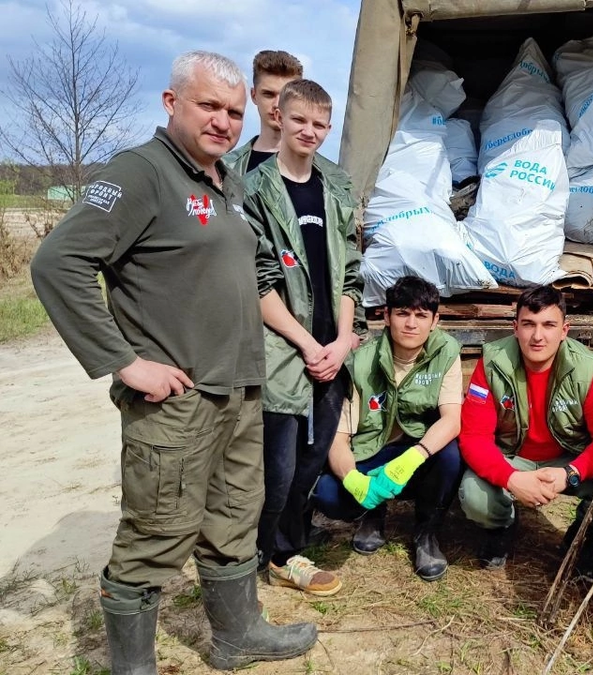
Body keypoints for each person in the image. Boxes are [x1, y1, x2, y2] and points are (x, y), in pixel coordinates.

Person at [30, 50, 316, 673]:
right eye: (209, 106)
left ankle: (237, 637)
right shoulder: (142, 173)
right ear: (172, 103)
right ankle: (132, 665)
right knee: (157, 532)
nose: (224, 121)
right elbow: (59, 264)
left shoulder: (227, 182)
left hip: (239, 392)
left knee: (233, 521)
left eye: (235, 112)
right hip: (177, 402)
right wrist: (125, 362)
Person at [243, 79, 361, 596]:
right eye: (299, 121)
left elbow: (350, 274)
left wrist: (341, 341)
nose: (308, 131)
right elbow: (259, 279)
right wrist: (308, 345)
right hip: (283, 349)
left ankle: (283, 547)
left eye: (319, 124)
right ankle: (263, 554)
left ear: (328, 128)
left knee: (313, 460)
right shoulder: (253, 189)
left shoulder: (335, 188)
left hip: (330, 351)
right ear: (278, 118)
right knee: (279, 465)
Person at [458, 285, 593, 570]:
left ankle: (583, 534)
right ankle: (502, 526)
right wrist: (511, 478)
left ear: (564, 330)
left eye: (548, 325)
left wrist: (570, 474)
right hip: (514, 457)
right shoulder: (492, 363)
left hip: (566, 459)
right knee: (473, 494)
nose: (537, 336)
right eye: (528, 325)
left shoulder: (585, 368)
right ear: (515, 328)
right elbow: (474, 436)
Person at [311, 276, 463, 582]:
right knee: (328, 493)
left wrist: (415, 456)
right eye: (402, 313)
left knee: (450, 456)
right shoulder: (359, 363)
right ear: (386, 316)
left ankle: (426, 531)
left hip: (417, 453)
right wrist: (353, 479)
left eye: (421, 316)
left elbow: (451, 419)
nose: (411, 324)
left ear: (435, 321)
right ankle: (373, 514)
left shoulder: (446, 351)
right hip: (373, 452)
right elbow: (339, 438)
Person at [225, 50, 343, 182]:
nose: (277, 104)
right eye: (268, 94)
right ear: (254, 95)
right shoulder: (226, 168)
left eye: (284, 96)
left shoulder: (333, 177)